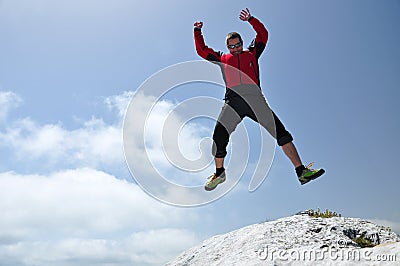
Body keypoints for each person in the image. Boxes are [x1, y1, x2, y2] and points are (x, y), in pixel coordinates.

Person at [194, 8, 325, 191]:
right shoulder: (223, 58)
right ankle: (219, 173)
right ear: (227, 48)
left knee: (281, 133)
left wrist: (251, 20)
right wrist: (197, 32)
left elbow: (263, 35)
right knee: (218, 137)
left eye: (238, 45)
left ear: (242, 43)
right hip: (233, 101)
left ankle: (301, 171)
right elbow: (202, 51)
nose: (235, 49)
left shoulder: (252, 53)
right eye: (231, 46)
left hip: (255, 99)